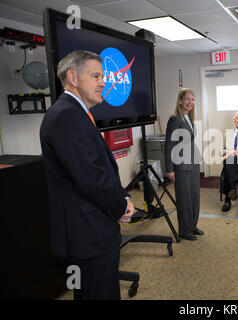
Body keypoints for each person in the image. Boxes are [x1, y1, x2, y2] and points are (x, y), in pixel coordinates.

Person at [40, 50, 135, 300]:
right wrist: (121, 205)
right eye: (96, 76)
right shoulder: (67, 116)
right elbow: (89, 176)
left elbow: (98, 168)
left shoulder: (74, 113)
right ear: (73, 77)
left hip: (90, 229)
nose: (103, 81)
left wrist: (122, 195)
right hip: (88, 233)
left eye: (102, 75)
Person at [165, 88, 203, 241]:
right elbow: (169, 145)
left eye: (192, 99)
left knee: (194, 197)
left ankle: (192, 225)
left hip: (193, 163)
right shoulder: (175, 119)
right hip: (180, 166)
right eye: (187, 99)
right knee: (184, 199)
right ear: (180, 101)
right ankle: (185, 230)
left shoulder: (188, 118)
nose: (190, 102)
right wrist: (169, 169)